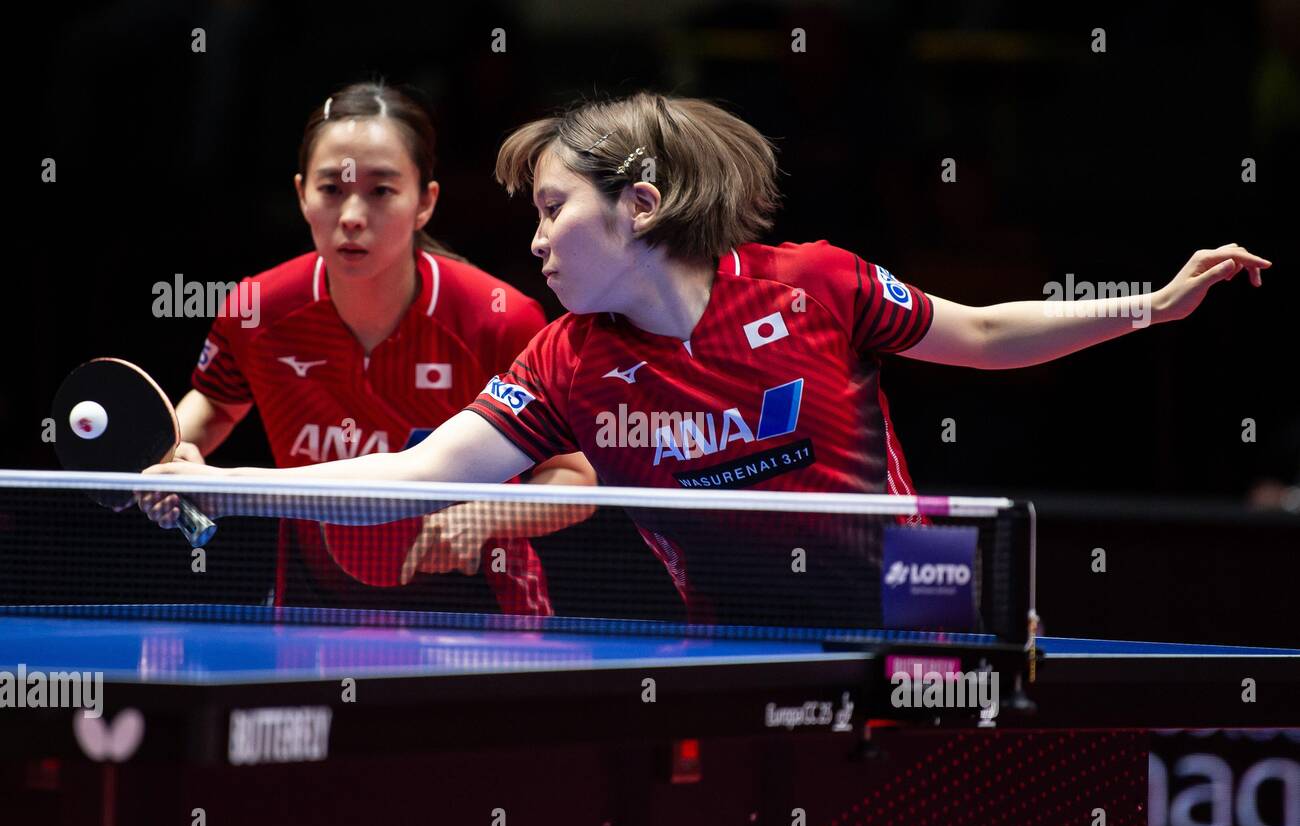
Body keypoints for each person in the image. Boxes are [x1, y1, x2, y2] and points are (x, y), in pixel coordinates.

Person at [145, 92, 1271, 624]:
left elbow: (973, 331)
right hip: (727, 644)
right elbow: (420, 469)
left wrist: (1146, 308)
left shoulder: (810, 284)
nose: (531, 242)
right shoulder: (568, 361)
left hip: (910, 614)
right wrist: (224, 483)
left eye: (549, 212)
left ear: (637, 208)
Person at [141, 82, 596, 614]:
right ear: (301, 195)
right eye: (331, 189)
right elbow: (216, 402)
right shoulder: (257, 309)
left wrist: (491, 513)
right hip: (312, 615)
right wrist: (173, 454)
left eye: (381, 191)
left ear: (425, 202)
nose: (352, 215)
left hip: (481, 619)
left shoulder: (496, 317)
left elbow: (575, 480)